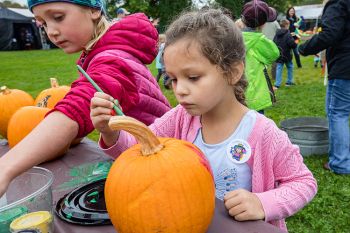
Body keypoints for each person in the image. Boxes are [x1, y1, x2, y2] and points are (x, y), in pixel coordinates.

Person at [91, 8, 317, 231]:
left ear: (233, 72)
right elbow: (141, 149)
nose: (180, 90)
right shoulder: (180, 118)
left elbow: (303, 183)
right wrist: (111, 132)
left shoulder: (263, 132)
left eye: (192, 77)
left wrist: (263, 203)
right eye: (173, 79)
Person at [0, 0, 171, 196]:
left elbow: (75, 110)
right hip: (140, 156)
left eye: (58, 17)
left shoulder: (111, 59)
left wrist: (5, 168)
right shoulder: (107, 50)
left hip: (159, 168)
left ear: (94, 10)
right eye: (44, 24)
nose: (52, 32)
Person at [299, 0, 350, 174]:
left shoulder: (338, 3)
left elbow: (330, 34)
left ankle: (341, 163)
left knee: (338, 114)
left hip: (344, 67)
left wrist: (304, 48)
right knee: (335, 112)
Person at [241, 0, 280, 114]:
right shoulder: (260, 42)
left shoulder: (232, 38)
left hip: (235, 97)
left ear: (242, 19)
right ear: (263, 23)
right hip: (255, 98)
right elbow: (274, 54)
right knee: (257, 129)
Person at [273, 19, 297, 89]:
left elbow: (273, 42)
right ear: (286, 25)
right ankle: (289, 82)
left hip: (279, 54)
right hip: (287, 55)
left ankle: (277, 84)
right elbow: (291, 43)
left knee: (279, 68)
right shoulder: (287, 34)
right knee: (290, 67)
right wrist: (295, 44)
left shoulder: (277, 34)